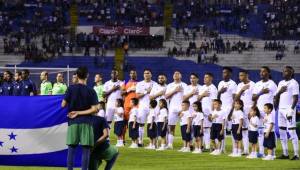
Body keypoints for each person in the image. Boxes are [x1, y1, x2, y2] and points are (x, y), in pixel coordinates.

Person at [61, 67, 99, 170]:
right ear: (87, 76)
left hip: (73, 122)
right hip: (86, 122)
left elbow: (63, 104)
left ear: (76, 76)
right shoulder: (91, 91)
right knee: (86, 150)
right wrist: (80, 112)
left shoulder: (70, 88)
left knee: (71, 149)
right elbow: (95, 109)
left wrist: (76, 111)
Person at [275, 66, 299, 160]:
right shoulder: (280, 83)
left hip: (289, 110)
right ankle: (285, 153)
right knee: (282, 132)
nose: (284, 73)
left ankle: (296, 155)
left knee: (292, 131)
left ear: (291, 72)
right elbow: (276, 96)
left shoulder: (294, 83)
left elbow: (295, 97)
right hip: (280, 109)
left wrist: (291, 110)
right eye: (283, 71)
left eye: (286, 71)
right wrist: (280, 92)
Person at [252, 66, 277, 157]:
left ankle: (272, 153)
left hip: (269, 112)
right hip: (260, 111)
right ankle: (262, 152)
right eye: (260, 71)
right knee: (260, 132)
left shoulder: (272, 84)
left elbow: (276, 97)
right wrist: (261, 92)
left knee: (270, 132)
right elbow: (253, 98)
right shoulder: (257, 84)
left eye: (264, 71)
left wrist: (274, 110)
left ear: (268, 73)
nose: (261, 73)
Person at [165, 71, 187, 149]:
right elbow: (166, 96)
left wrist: (184, 109)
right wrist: (175, 90)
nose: (175, 75)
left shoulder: (184, 85)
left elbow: (186, 97)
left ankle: (186, 145)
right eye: (174, 74)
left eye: (177, 74)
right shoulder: (170, 85)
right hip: (172, 108)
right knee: (171, 126)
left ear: (181, 75)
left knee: (184, 127)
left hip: (182, 109)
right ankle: (170, 144)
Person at [217, 67, 237, 153]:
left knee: (232, 129)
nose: (224, 74)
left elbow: (234, 99)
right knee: (222, 129)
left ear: (230, 74)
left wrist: (231, 112)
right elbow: (218, 98)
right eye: (223, 72)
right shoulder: (220, 83)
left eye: (226, 73)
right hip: (222, 110)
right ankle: (222, 149)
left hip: (229, 109)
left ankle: (234, 149)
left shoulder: (233, 84)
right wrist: (220, 92)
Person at [235, 70, 255, 155]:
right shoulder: (239, 85)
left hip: (250, 109)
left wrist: (252, 110)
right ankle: (246, 150)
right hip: (241, 110)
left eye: (242, 75)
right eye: (239, 76)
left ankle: (256, 150)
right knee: (244, 130)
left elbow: (255, 98)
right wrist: (242, 90)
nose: (240, 77)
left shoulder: (253, 84)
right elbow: (236, 98)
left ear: (247, 75)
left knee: (253, 130)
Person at [136, 69, 157, 147]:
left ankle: (152, 143)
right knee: (141, 124)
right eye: (145, 73)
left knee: (152, 124)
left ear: (151, 75)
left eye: (148, 73)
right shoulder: (139, 84)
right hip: (143, 107)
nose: (146, 74)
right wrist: (146, 92)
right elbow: (137, 96)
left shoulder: (155, 84)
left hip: (152, 107)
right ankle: (140, 141)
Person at [198, 73, 218, 151]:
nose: (204, 79)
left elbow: (214, 101)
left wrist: (212, 113)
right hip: (203, 112)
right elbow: (198, 99)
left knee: (210, 129)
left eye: (206, 77)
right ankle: (207, 146)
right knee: (205, 129)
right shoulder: (202, 87)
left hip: (209, 112)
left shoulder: (213, 88)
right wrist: (203, 94)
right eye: (204, 77)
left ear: (211, 78)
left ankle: (213, 147)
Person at [121, 69, 138, 143]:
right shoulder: (125, 83)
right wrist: (129, 90)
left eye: (134, 73)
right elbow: (121, 93)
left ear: (136, 74)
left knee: (134, 123)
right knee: (124, 123)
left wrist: (136, 89)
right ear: (129, 75)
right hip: (127, 105)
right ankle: (123, 139)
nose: (132, 74)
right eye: (131, 73)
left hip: (136, 106)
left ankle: (135, 140)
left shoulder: (139, 83)